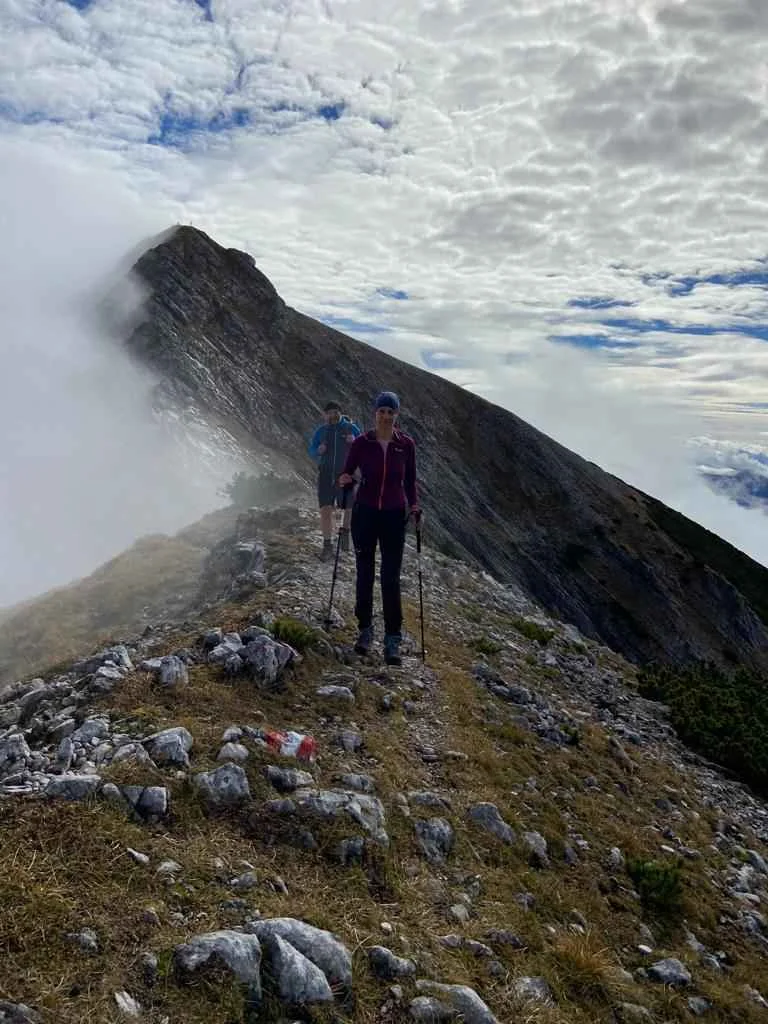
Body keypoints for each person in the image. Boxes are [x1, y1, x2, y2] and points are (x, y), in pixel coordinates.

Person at [338, 390, 420, 666]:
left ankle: (393, 639)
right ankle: (365, 630)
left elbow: (410, 482)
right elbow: (347, 472)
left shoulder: (405, 445)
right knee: (364, 572)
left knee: (390, 578)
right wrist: (345, 480)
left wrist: (415, 506)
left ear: (397, 416)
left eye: (390, 412)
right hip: (366, 513)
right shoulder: (362, 442)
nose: (385, 416)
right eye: (382, 411)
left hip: (394, 516)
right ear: (375, 413)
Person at [308, 401, 361, 560]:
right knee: (325, 509)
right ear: (325, 415)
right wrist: (318, 450)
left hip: (346, 474)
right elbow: (311, 449)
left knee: (348, 507)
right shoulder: (322, 431)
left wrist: (354, 442)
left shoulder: (351, 428)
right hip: (325, 474)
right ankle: (327, 546)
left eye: (335, 412)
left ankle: (345, 533)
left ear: (340, 412)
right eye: (329, 413)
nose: (332, 415)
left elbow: (365, 448)